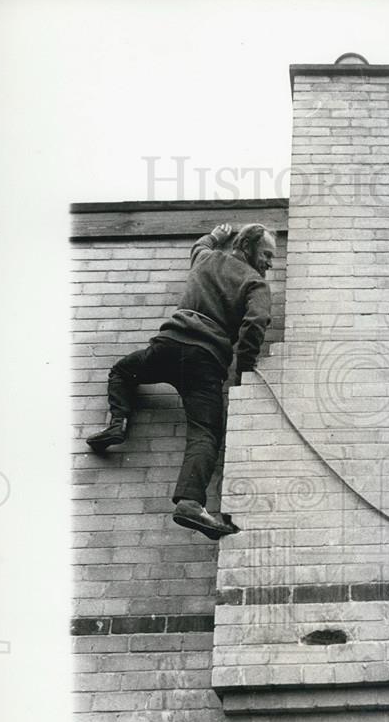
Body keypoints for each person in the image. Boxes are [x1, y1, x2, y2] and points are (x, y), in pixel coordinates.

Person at [86, 222, 275, 539]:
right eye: (267, 254)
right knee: (205, 433)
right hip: (205, 362)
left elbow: (199, 245)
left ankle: (118, 422)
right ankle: (189, 503)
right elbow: (255, 322)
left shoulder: (206, 258)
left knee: (122, 371)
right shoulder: (255, 284)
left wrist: (217, 234)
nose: (270, 263)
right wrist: (244, 369)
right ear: (249, 248)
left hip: (168, 347)